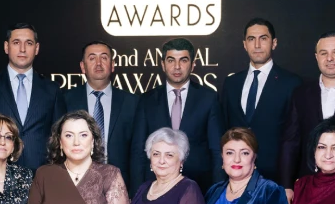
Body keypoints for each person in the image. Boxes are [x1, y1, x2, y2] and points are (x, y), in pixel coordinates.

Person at [279, 31, 335, 201]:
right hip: (309, 183)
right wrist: (286, 185)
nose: (329, 58)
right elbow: (290, 141)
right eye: (323, 53)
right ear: (316, 57)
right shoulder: (300, 93)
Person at [0, 23, 66, 171]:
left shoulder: (52, 90)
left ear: (37, 48)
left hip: (42, 176)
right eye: (16, 42)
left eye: (29, 43)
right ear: (6, 47)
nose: (22, 49)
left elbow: (61, 138)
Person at [132, 38, 224, 193]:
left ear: (193, 65)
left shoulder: (208, 98)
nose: (177, 66)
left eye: (183, 60)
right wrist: (137, 193)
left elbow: (216, 150)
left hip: (199, 186)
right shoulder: (147, 100)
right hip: (155, 186)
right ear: (163, 64)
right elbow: (138, 151)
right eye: (171, 60)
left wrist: (218, 193)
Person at [222, 18, 300, 184]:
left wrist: (288, 182)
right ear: (245, 44)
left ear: (274, 43)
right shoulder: (231, 83)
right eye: (251, 39)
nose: (257, 45)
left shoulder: (291, 83)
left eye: (263, 38)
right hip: (236, 176)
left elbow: (294, 137)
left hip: (276, 178)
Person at [63, 40, 140, 189]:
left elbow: (137, 152)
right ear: (83, 66)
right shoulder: (66, 100)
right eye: (92, 58)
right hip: (75, 185)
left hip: (120, 186)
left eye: (104, 57)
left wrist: (134, 192)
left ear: (112, 65)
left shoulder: (132, 102)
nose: (98, 63)